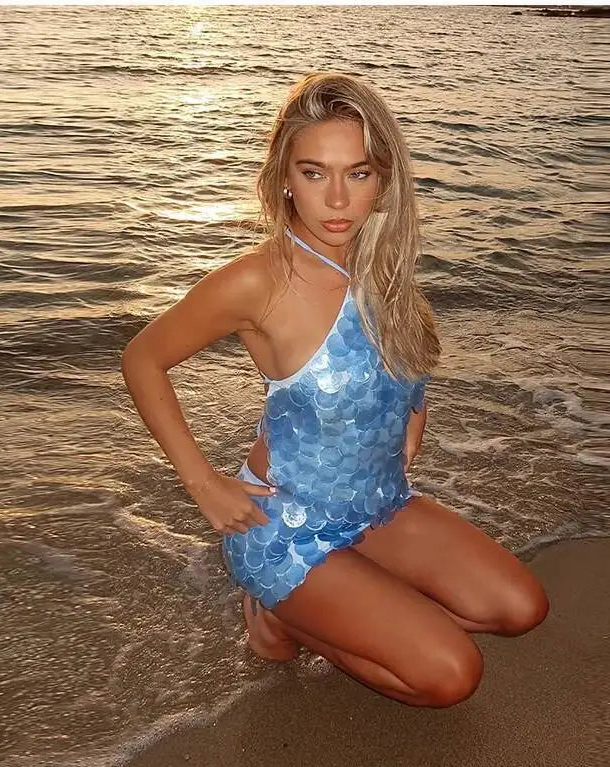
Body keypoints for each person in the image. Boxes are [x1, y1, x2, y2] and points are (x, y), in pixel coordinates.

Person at [120, 71, 549, 708]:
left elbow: (400, 363)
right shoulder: (258, 282)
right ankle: (282, 616)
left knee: (521, 608)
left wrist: (413, 414)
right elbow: (142, 359)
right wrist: (204, 483)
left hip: (379, 504)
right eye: (315, 172)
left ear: (384, 180)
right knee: (452, 675)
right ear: (284, 178)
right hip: (286, 524)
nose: (339, 199)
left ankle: (347, 601)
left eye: (359, 173)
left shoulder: (382, 267)